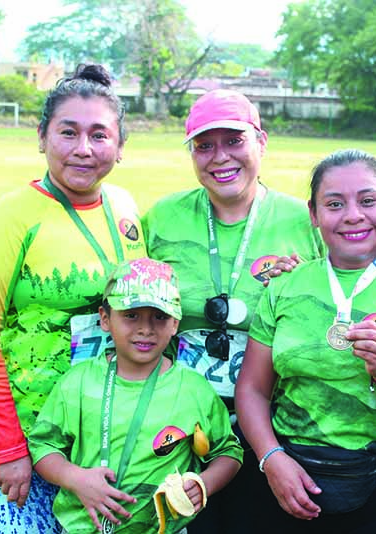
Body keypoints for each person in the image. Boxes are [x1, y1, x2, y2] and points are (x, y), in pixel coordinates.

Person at [0, 64, 147, 533]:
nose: (84, 148)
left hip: (104, 435)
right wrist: (7, 449)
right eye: (68, 132)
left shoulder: (125, 207)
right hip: (27, 435)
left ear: (120, 146)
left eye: (99, 135)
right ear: (42, 137)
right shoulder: (10, 218)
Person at [235, 149, 376, 534]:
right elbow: (252, 389)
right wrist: (272, 459)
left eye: (367, 201)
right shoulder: (285, 286)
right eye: (335, 204)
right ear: (313, 213)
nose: (353, 215)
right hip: (287, 486)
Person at [141, 89, 324, 533]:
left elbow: (334, 314)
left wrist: (301, 293)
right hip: (176, 424)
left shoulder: (305, 220)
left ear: (261, 141)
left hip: (273, 427)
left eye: (234, 141)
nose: (220, 157)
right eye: (204, 145)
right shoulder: (162, 219)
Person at [28, 258, 242, 534]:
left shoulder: (194, 390)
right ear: (105, 318)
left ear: (175, 323)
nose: (146, 329)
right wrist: (76, 478)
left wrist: (204, 484)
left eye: (159, 316)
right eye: (131, 315)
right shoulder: (78, 383)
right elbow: (43, 446)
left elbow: (228, 451)